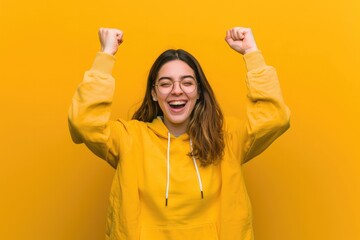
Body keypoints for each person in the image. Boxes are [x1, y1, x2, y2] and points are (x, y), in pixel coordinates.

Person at [68, 26, 290, 240]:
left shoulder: (227, 137)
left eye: (187, 82)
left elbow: (274, 118)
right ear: (154, 93)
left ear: (199, 92)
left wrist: (252, 53)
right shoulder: (129, 137)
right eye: (165, 84)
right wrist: (106, 55)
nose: (176, 90)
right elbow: (83, 122)